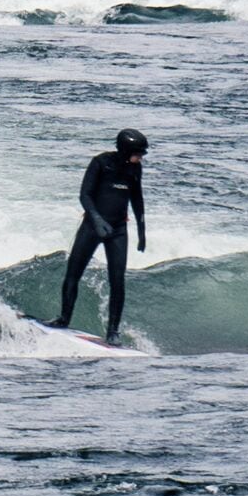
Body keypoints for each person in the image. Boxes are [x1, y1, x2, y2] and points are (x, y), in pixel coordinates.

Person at [56, 127, 148, 340]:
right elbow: (85, 195)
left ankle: (113, 332)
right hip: (92, 227)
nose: (141, 157)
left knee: (117, 280)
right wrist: (96, 220)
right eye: (138, 153)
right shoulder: (100, 163)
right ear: (125, 150)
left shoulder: (135, 170)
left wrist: (142, 231)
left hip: (118, 230)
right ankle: (63, 319)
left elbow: (137, 199)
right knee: (73, 274)